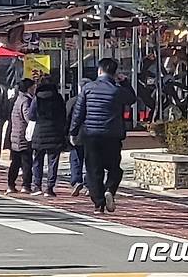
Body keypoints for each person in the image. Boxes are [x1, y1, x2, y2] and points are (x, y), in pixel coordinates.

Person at [69, 58, 136, 214]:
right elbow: (132, 99)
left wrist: (73, 131)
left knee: (93, 170)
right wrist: (125, 82)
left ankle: (98, 203)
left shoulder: (88, 88)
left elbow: (78, 112)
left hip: (91, 134)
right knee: (114, 168)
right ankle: (110, 189)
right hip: (112, 134)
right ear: (114, 73)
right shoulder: (117, 90)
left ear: (99, 71)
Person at [29, 76, 66, 197]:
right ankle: (50, 187)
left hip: (40, 131)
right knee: (53, 160)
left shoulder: (37, 98)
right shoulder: (58, 97)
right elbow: (63, 114)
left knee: (38, 160)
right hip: (55, 131)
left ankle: (37, 185)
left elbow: (31, 115)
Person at [6, 79, 37, 194]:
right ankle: (26, 185)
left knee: (15, 162)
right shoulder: (26, 100)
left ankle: (11, 184)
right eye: (33, 87)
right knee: (26, 162)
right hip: (23, 135)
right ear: (28, 88)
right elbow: (28, 117)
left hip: (15, 134)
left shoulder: (17, 99)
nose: (34, 89)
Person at [66, 78, 92, 197]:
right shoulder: (93, 101)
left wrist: (69, 132)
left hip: (77, 134)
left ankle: (76, 180)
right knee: (90, 161)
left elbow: (67, 118)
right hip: (91, 133)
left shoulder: (72, 101)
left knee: (76, 159)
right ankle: (89, 185)